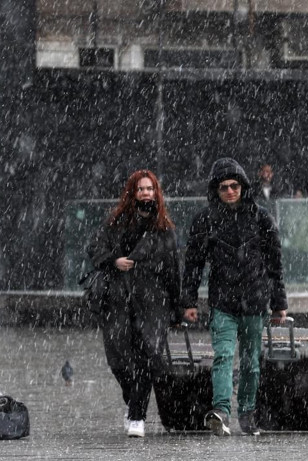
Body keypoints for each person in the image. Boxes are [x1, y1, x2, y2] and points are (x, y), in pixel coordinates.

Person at [182, 157, 288, 436]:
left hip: (254, 302)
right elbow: (193, 263)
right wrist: (189, 301)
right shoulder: (205, 221)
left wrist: (279, 305)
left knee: (251, 362)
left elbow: (275, 264)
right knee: (224, 356)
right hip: (224, 303)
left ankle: (247, 413)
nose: (230, 191)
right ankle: (221, 411)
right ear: (215, 190)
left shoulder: (261, 219)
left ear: (243, 186)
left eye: (234, 186)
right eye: (224, 187)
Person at [86, 170, 185, 438]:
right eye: (141, 189)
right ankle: (133, 401)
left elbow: (173, 271)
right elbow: (95, 248)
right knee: (117, 358)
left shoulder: (164, 230)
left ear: (156, 193)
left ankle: (137, 417)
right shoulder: (115, 224)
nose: (145, 193)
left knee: (146, 356)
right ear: (133, 192)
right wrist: (113, 261)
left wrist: (178, 307)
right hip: (118, 298)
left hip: (154, 302)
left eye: (149, 189)